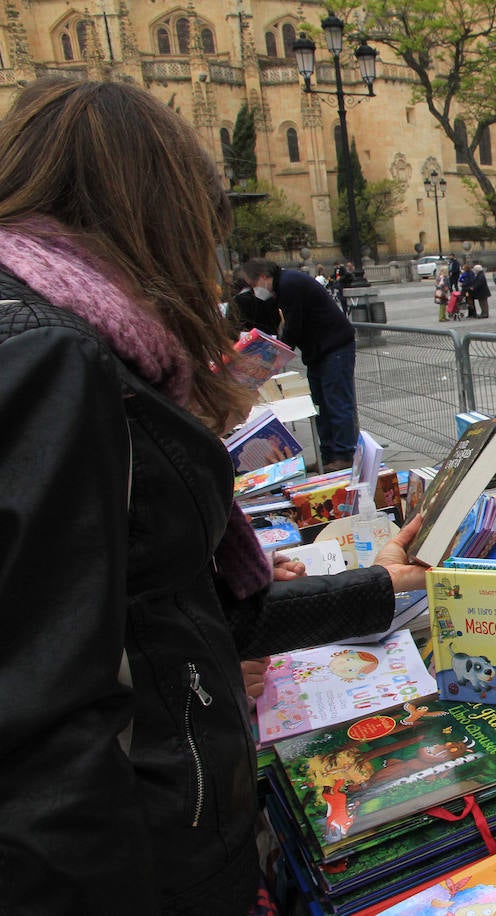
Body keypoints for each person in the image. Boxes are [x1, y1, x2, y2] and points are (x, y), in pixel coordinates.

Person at [0, 77, 431, 913]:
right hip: (145, 848)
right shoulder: (57, 360)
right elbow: (42, 723)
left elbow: (171, 603)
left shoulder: (80, 345)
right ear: (159, 218)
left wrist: (377, 585)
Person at [243, 256, 358, 471]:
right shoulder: (283, 285)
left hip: (333, 348)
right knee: (321, 404)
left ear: (262, 277)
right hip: (320, 350)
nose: (254, 290)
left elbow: (293, 326)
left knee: (336, 402)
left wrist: (276, 356)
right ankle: (329, 456)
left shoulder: (289, 284)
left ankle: (343, 455)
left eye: (253, 285)